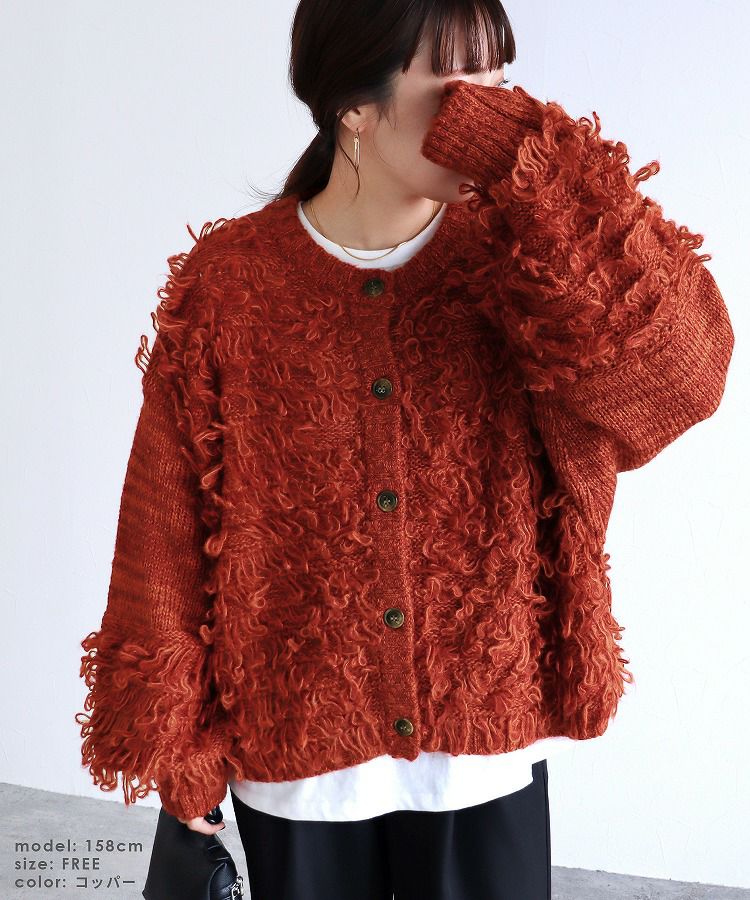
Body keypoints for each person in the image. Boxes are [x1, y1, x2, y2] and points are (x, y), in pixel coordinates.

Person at [75, 1, 734, 898]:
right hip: (297, 760)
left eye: (501, 83)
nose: (490, 111)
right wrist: (177, 744)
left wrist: (532, 163)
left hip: (483, 755)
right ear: (355, 104)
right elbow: (166, 531)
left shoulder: (529, 268)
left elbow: (684, 374)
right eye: (460, 87)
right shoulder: (230, 286)